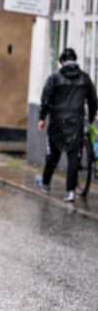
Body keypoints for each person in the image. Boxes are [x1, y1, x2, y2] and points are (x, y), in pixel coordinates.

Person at [36, 48, 97, 202]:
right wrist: (90, 117)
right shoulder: (84, 78)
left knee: (53, 156)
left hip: (57, 123)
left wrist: (42, 117)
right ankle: (70, 191)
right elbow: (93, 99)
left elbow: (46, 97)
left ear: (62, 61)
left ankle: (45, 183)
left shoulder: (55, 78)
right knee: (73, 158)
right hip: (75, 123)